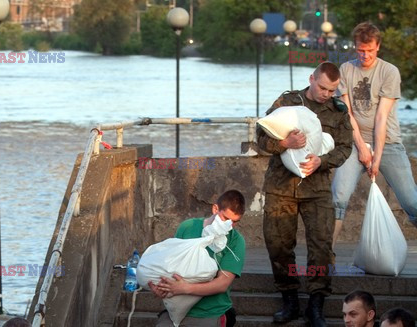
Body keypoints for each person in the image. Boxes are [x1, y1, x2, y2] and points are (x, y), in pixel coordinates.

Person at [257, 62, 353, 325]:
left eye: (332, 90)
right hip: (281, 187)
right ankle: (289, 301)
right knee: (278, 245)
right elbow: (260, 137)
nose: (326, 94)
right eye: (322, 87)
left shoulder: (337, 111)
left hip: (318, 188)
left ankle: (316, 305)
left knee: (321, 247)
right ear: (312, 79)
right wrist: (284, 143)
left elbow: (345, 148)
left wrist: (322, 161)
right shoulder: (288, 102)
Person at [332, 21, 417, 248]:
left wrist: (376, 157)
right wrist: (360, 146)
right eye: (361, 50)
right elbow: (347, 113)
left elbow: (381, 118)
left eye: (370, 50)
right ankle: (325, 256)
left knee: (412, 202)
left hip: (388, 143)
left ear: (378, 46)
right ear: (355, 46)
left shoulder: (389, 72)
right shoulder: (346, 70)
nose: (365, 55)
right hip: (354, 142)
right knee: (338, 198)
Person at [148, 189, 246, 327]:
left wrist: (185, 288)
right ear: (215, 209)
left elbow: (223, 283)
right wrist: (162, 288)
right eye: (226, 218)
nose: (229, 225)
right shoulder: (188, 227)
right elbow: (171, 265)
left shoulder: (236, 241)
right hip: (176, 310)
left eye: (235, 222)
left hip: (210, 312)